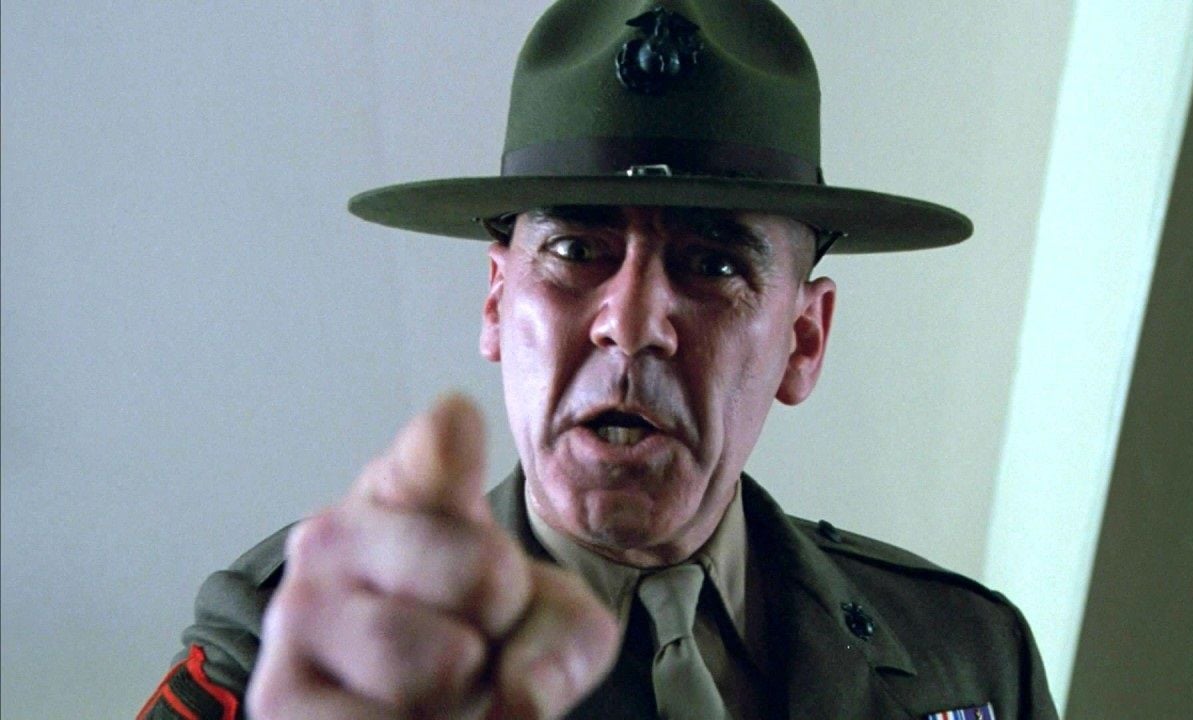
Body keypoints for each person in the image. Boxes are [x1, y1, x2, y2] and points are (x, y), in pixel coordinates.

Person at [139, 1, 1057, 718]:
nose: (633, 322)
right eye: (577, 251)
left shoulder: (967, 655)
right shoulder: (308, 642)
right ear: (497, 302)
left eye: (714, 265)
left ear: (803, 341)